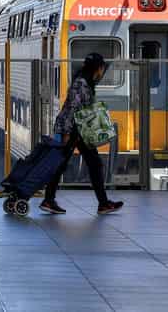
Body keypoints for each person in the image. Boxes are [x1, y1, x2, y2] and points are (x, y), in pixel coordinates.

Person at [40, 53, 124, 215]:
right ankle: (49, 199)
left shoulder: (85, 81)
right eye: (102, 68)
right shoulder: (82, 84)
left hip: (79, 131)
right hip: (72, 130)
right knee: (65, 164)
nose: (102, 71)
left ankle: (102, 203)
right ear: (98, 68)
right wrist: (66, 133)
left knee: (93, 164)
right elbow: (72, 109)